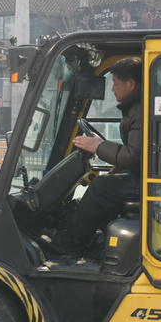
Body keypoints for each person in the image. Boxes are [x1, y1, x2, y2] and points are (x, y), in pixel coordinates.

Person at [56, 56, 143, 253]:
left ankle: (72, 241)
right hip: (146, 176)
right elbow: (140, 153)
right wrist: (119, 164)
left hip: (151, 182)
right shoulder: (136, 109)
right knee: (110, 185)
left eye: (115, 83)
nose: (112, 89)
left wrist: (99, 146)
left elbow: (136, 156)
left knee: (101, 186)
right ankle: (100, 238)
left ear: (131, 84)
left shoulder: (139, 111)